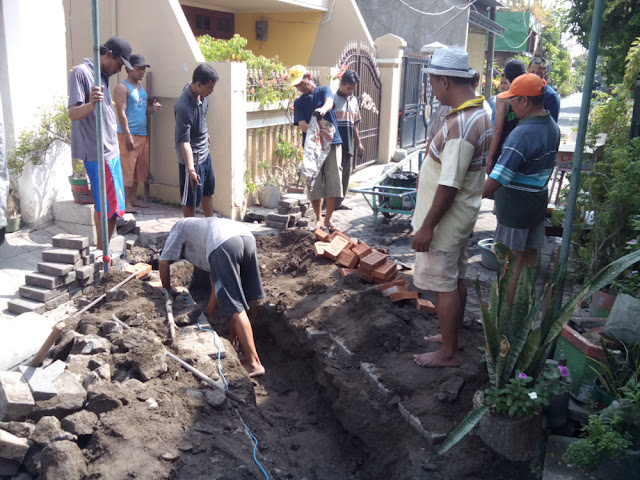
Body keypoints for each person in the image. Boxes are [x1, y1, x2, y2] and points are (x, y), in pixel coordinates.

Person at [411, 48, 492, 368]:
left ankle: (448, 353)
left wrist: (427, 226)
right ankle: (453, 337)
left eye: (432, 82)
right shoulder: (476, 112)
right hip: (459, 219)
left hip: (445, 222)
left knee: (443, 285)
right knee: (455, 277)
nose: (431, 88)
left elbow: (449, 184)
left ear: (445, 81)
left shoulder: (463, 125)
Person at [483, 73, 560, 305]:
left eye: (513, 100)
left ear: (525, 100)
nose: (510, 105)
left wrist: (467, 198)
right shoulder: (552, 126)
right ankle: (521, 308)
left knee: (509, 263)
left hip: (515, 209)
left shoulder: (522, 133)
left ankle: (503, 315)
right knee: (527, 259)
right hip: (536, 205)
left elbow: (499, 177)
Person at [159, 217, 266, 377]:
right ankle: (232, 341)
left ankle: (254, 363)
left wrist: (166, 288)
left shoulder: (177, 228)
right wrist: (208, 314)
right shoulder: (199, 232)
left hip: (224, 242)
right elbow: (217, 285)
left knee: (234, 306)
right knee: (238, 298)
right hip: (246, 237)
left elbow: (163, 262)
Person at [68, 37, 132, 251]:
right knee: (110, 207)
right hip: (99, 153)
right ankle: (102, 252)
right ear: (109, 54)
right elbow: (73, 113)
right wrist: (91, 104)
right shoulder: (81, 73)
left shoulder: (102, 76)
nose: (119, 70)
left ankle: (101, 250)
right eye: (119, 64)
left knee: (109, 206)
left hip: (109, 150)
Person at [290, 65, 343, 232]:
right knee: (314, 183)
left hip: (332, 143)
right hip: (312, 147)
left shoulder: (323, 91)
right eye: (297, 86)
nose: (300, 88)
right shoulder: (299, 102)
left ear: (309, 77)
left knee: (333, 180)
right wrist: (314, 125)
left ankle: (328, 219)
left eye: (301, 83)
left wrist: (322, 110)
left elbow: (330, 102)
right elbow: (302, 125)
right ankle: (318, 219)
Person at [114, 54, 162, 213]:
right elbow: (121, 113)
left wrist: (152, 110)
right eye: (139, 68)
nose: (142, 71)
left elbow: (141, 111)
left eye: (143, 68)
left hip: (142, 134)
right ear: (128, 68)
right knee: (127, 169)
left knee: (138, 170)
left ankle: (133, 199)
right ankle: (125, 202)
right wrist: (127, 135)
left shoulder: (141, 89)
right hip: (128, 135)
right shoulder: (122, 87)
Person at [174, 64, 218, 218]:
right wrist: (191, 170)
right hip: (192, 157)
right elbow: (184, 142)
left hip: (204, 153)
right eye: (209, 87)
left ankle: (210, 226)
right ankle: (189, 230)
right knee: (191, 200)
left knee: (207, 191)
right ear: (199, 84)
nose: (211, 91)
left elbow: (202, 114)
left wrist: (205, 133)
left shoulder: (201, 95)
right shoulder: (183, 106)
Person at [486, 60, 527, 174]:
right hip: (524, 147)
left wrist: (490, 158)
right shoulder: (529, 96)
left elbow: (498, 130)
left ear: (507, 76)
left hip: (503, 149)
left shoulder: (503, 98)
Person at [333, 69, 364, 210]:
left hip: (349, 142)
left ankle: (339, 202)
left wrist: (359, 143)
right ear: (342, 84)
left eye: (353, 89)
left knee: (346, 174)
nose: (351, 91)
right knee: (334, 173)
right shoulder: (333, 100)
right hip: (335, 143)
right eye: (349, 88)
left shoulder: (354, 101)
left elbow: (355, 125)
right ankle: (329, 202)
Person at [527, 57, 561, 122]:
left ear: (544, 73)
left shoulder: (551, 96)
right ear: (527, 71)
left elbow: (549, 125)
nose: (535, 76)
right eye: (532, 72)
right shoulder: (521, 90)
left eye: (538, 73)